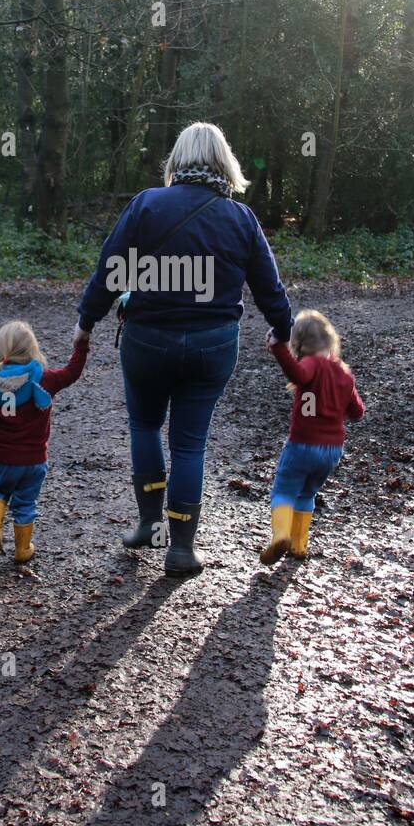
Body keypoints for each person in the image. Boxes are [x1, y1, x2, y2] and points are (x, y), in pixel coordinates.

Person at [76, 121, 293, 577]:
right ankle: (181, 549)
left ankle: (149, 525)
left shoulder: (147, 205)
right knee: (190, 445)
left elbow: (110, 271)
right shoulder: (241, 218)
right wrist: (282, 329)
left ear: (178, 160)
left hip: (147, 341)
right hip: (212, 347)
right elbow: (268, 287)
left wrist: (86, 322)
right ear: (223, 161)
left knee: (145, 427)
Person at [0, 320, 89, 565]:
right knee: (25, 502)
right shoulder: (44, 379)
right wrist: (81, 344)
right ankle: (22, 549)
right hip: (34, 461)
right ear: (32, 349)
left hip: (1, 459)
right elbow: (72, 372)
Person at [261, 308, 364, 564]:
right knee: (307, 494)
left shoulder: (310, 364)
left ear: (300, 343)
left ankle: (281, 535)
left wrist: (278, 348)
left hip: (303, 445)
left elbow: (298, 374)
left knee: (284, 490)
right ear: (330, 340)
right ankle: (299, 545)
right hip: (331, 451)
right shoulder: (343, 373)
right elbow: (358, 412)